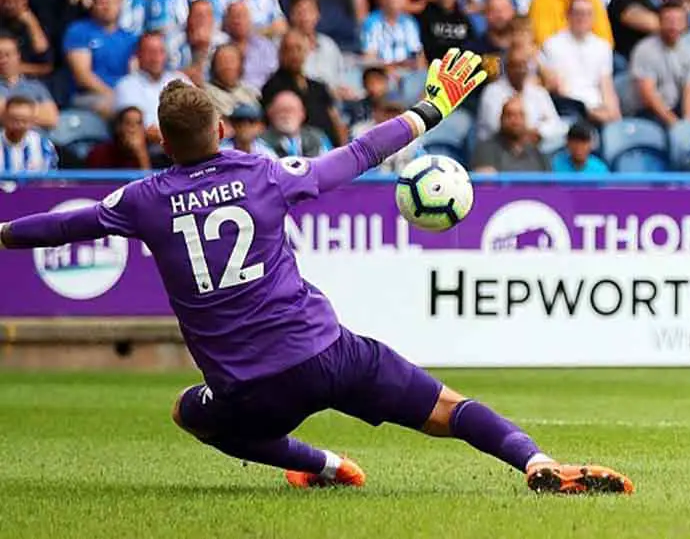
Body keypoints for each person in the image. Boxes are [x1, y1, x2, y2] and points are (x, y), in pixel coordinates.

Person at [0, 50, 633, 495]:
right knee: (447, 407)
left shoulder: (142, 200)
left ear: (163, 143)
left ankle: (325, 466)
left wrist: (4, 232)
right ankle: (535, 462)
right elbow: (358, 153)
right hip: (329, 355)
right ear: (222, 129)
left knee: (192, 413)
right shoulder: (264, 174)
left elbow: (64, 225)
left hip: (250, 391)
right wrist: (430, 108)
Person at [538, 0, 620, 126]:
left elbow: (606, 86)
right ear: (568, 15)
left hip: (597, 107)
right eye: (578, 13)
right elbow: (558, 88)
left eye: (588, 13)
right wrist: (588, 112)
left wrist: (614, 115)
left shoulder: (603, 47)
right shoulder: (552, 44)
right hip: (568, 106)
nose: (582, 18)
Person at [262, 30, 346, 147]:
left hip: (328, 147)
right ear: (280, 53)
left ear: (306, 52)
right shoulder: (272, 87)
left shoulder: (318, 86)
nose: (294, 54)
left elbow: (335, 119)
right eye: (288, 49)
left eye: (299, 49)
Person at [64, 0, 138, 118]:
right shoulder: (79, 31)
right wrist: (114, 95)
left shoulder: (130, 38)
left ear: (120, 5)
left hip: (122, 96)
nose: (107, 7)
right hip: (89, 96)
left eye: (112, 2)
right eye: (102, 2)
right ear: (94, 4)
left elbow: (134, 74)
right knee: (120, 109)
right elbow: (83, 76)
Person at [630, 0, 690, 122]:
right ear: (659, 22)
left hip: (675, 107)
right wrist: (673, 123)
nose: (674, 26)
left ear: (686, 24)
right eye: (669, 21)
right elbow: (648, 95)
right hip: (647, 112)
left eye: (679, 21)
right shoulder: (645, 50)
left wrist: (687, 125)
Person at [476, 45, 563, 145]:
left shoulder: (538, 91)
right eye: (515, 66)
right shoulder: (492, 91)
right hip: (497, 146)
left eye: (523, 65)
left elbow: (556, 123)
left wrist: (539, 132)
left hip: (534, 145)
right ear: (506, 67)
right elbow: (495, 125)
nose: (520, 70)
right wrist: (526, 132)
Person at [114, 33, 188, 143]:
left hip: (183, 143)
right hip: (149, 147)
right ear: (138, 55)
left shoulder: (181, 79)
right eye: (150, 52)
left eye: (160, 51)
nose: (156, 57)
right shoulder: (126, 85)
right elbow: (134, 128)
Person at [361, 0, 427, 75]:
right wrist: (390, 69)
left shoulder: (410, 22)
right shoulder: (372, 22)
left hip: (408, 73)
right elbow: (369, 58)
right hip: (381, 74)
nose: (395, 0)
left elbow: (418, 56)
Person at [472, 95, 551, 173]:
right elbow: (485, 178)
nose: (516, 121)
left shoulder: (537, 154)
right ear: (501, 119)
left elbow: (549, 179)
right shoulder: (486, 150)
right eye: (510, 115)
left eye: (520, 115)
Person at [417, 0, 476, 64]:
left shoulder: (465, 16)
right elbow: (420, 48)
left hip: (460, 68)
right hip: (433, 68)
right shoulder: (426, 14)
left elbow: (473, 48)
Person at [0, 34, 56, 129]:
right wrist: (37, 110)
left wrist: (12, 111)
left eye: (8, 55)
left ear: (18, 56)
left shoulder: (36, 86)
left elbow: (51, 118)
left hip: (37, 136)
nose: (3, 60)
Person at [0, 0, 52, 78]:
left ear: (25, 0)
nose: (9, 5)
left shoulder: (37, 23)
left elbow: (46, 66)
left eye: (15, 0)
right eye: (5, 0)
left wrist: (32, 25)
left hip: (30, 80)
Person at [223, 2, 277, 91]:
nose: (237, 21)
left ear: (249, 20)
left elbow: (274, 73)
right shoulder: (219, 47)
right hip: (229, 94)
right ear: (226, 22)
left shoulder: (265, 46)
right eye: (234, 17)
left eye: (242, 16)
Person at [262, 89, 332, 158]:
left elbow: (328, 161)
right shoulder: (262, 142)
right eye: (281, 110)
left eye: (291, 110)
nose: (286, 115)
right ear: (271, 113)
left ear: (302, 114)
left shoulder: (318, 137)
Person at [0, 95, 56, 172]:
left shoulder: (44, 146)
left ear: (32, 121)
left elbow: (50, 176)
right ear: (5, 118)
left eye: (24, 121)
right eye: (14, 120)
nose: (19, 125)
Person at [204, 43, 260, 119]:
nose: (228, 66)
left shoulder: (251, 92)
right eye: (222, 61)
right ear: (214, 66)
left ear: (240, 64)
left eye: (232, 61)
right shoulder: (206, 95)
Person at [86, 105, 151, 169]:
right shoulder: (99, 153)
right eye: (128, 123)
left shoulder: (151, 152)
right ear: (118, 127)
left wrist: (141, 154)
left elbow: (148, 175)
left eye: (138, 123)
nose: (133, 130)